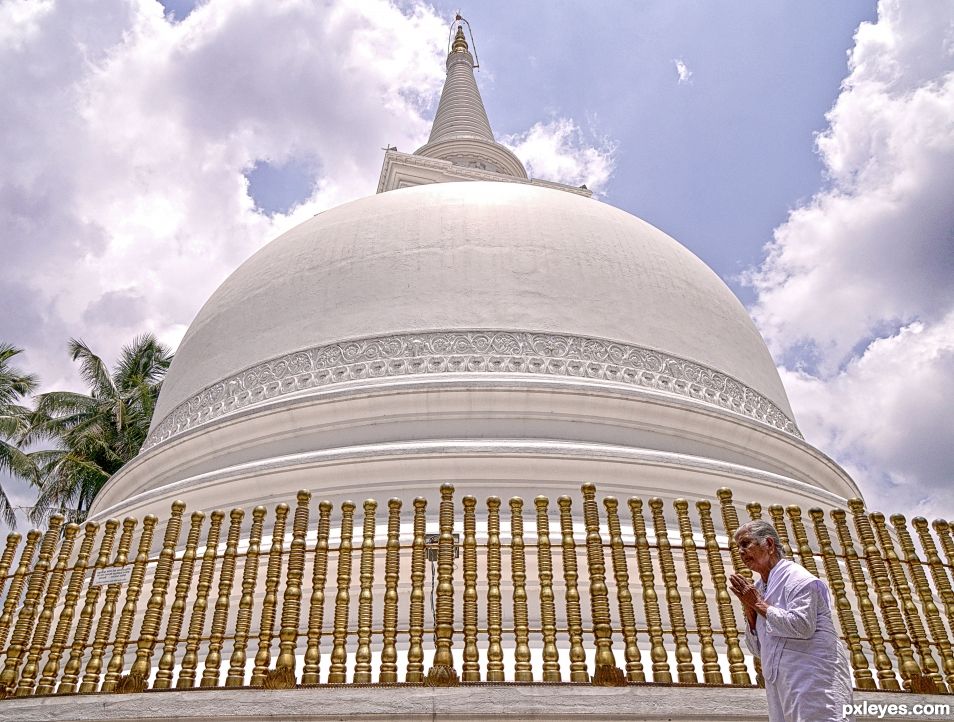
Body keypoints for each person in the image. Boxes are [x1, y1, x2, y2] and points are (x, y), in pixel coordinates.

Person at [729, 519, 854, 722]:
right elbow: (757, 650)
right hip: (782, 683)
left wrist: (759, 605)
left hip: (813, 679)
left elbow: (802, 626)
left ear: (769, 544)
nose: (741, 552)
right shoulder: (760, 588)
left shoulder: (797, 578)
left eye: (745, 544)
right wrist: (751, 612)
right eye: (738, 547)